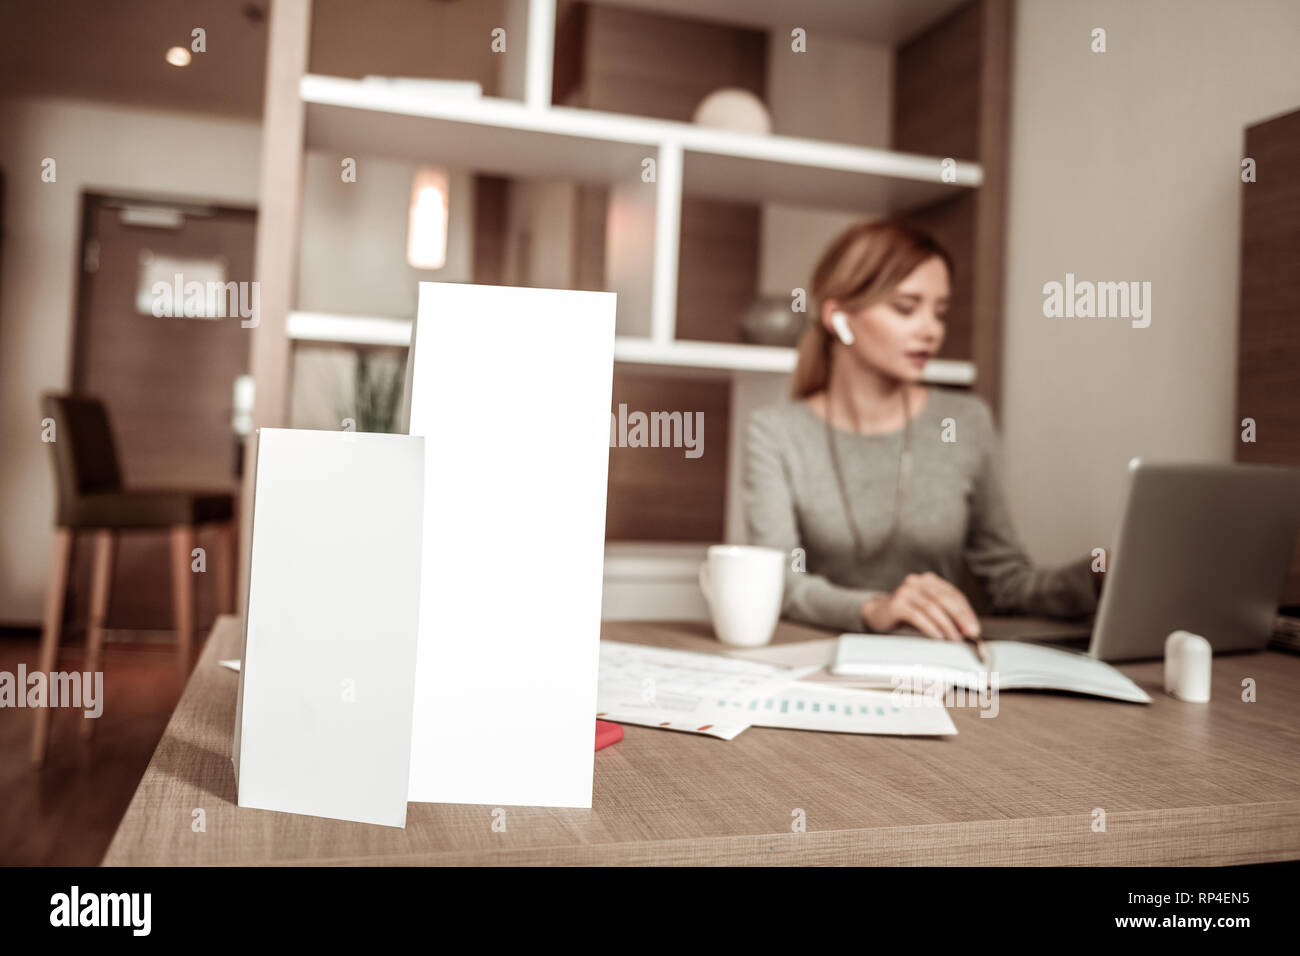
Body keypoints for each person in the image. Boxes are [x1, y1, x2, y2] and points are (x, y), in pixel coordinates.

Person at [743, 220, 1099, 639]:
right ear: (839, 318)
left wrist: (1096, 576)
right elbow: (779, 582)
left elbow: (1008, 583)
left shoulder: (965, 422)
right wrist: (875, 608)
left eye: (940, 312)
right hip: (820, 660)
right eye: (906, 308)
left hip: (941, 663)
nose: (932, 330)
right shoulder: (777, 433)